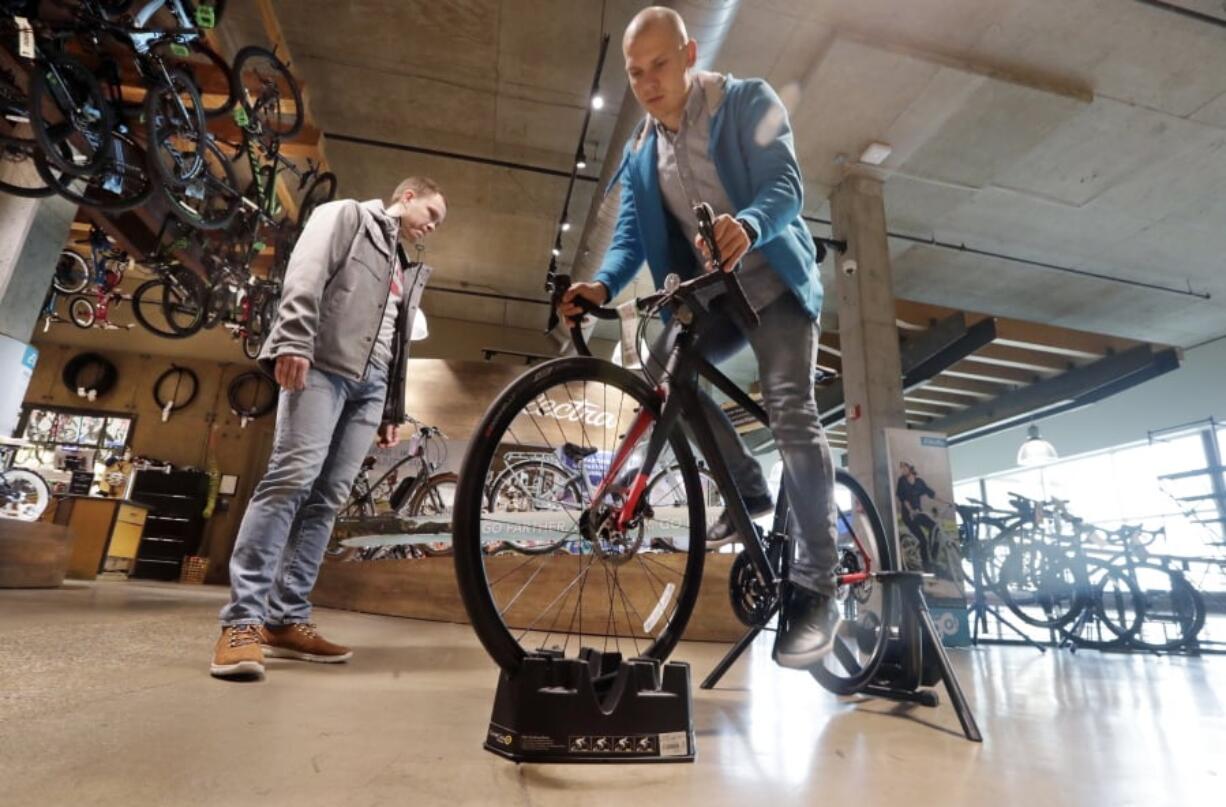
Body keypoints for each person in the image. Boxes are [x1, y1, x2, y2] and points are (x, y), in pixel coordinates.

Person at [559, 7, 840, 669]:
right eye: (634, 72)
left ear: (688, 54)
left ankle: (820, 586)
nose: (648, 80)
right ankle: (746, 489)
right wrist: (600, 285)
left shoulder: (744, 101)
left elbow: (784, 184)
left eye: (659, 63)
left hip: (775, 287)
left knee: (791, 409)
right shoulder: (639, 152)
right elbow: (630, 235)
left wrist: (747, 223)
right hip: (712, 297)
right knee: (661, 371)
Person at [210, 177, 446, 679]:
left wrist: (390, 409)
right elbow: (308, 270)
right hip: (322, 366)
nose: (432, 226)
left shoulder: (402, 265)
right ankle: (242, 622)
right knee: (290, 480)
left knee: (327, 500)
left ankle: (286, 620)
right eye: (431, 212)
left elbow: (398, 343)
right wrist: (293, 338)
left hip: (371, 386)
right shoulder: (349, 217)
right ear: (406, 196)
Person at [896, 461, 938, 572]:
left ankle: (933, 556)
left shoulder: (919, 482)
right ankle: (927, 566)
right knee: (922, 540)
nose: (902, 470)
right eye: (901, 469)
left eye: (904, 468)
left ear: (910, 468)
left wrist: (948, 503)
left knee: (935, 527)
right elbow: (903, 499)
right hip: (909, 516)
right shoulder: (902, 481)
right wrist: (910, 510)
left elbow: (932, 494)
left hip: (919, 513)